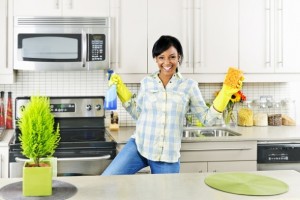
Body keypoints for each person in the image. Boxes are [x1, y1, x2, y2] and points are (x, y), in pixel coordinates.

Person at [102, 35, 243, 175]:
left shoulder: (189, 86)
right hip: (139, 146)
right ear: (155, 59)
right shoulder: (147, 82)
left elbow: (207, 119)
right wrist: (121, 89)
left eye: (172, 57)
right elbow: (138, 113)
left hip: (167, 156)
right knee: (108, 179)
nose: (167, 62)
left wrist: (225, 93)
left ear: (179, 58)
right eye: (161, 57)